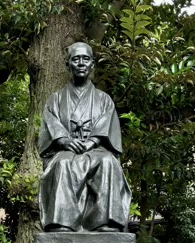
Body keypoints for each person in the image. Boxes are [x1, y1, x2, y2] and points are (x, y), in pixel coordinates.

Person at [38, 42, 131, 233]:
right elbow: (51, 124)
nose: (81, 63)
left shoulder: (104, 99)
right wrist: (65, 140)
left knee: (108, 163)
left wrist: (92, 141)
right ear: (68, 65)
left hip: (96, 148)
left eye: (85, 59)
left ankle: (104, 222)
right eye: (76, 59)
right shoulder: (55, 99)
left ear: (92, 65)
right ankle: (62, 222)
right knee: (62, 164)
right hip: (66, 149)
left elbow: (107, 125)